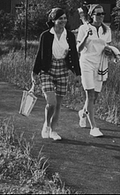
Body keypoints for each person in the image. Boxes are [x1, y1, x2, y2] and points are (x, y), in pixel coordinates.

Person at [32, 8, 81, 140]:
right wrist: (34, 72)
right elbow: (39, 55)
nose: (63, 21)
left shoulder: (69, 35)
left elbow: (74, 56)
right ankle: (46, 125)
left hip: (62, 69)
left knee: (58, 104)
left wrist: (77, 73)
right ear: (53, 20)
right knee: (51, 102)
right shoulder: (46, 35)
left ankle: (53, 131)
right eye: (60, 18)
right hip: (47, 69)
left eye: (65, 18)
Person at [76, 4, 112, 137]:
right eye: (98, 14)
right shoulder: (83, 28)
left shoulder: (107, 30)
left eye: (102, 14)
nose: (101, 16)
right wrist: (86, 36)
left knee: (95, 97)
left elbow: (107, 47)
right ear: (91, 15)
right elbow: (78, 49)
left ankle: (83, 112)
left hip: (101, 64)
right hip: (86, 63)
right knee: (90, 95)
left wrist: (110, 52)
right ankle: (93, 127)